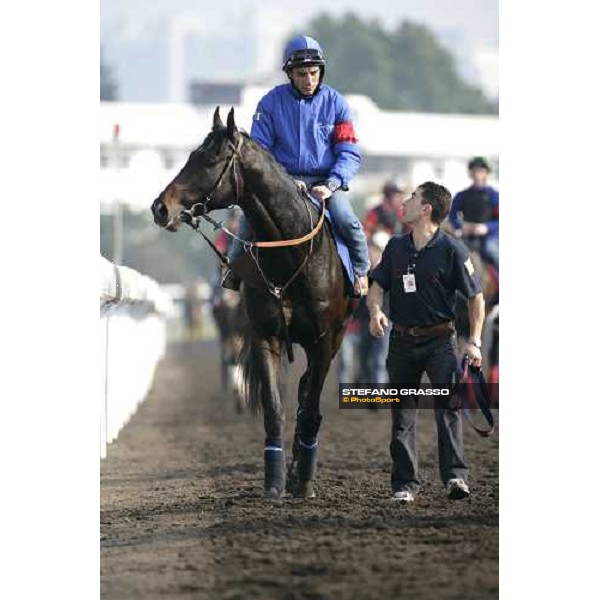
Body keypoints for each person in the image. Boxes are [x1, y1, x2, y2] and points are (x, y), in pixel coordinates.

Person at [222, 34, 370, 295]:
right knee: (248, 219)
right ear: (290, 74)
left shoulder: (336, 103)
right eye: (302, 74)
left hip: (325, 183)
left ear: (321, 71)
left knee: (347, 220)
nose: (309, 80)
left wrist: (332, 183)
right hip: (282, 181)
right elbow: (260, 151)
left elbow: (348, 151)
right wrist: (285, 180)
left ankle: (360, 271)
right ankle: (234, 270)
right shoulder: (270, 102)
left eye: (314, 73)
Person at [367, 181, 485, 504]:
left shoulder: (452, 249)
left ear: (426, 209)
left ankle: (455, 478)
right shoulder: (395, 248)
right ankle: (405, 485)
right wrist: (375, 310)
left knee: (447, 411)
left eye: (413, 198)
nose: (405, 202)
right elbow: (376, 285)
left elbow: (476, 298)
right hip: (401, 343)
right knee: (402, 415)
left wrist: (473, 341)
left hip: (440, 343)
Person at [449, 157, 499, 267]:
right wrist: (460, 226)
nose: (477, 175)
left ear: (486, 174)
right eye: (474, 171)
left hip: (490, 238)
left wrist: (486, 227)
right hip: (467, 237)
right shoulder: (462, 195)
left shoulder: (494, 196)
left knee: (493, 251)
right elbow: (451, 215)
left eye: (480, 171)